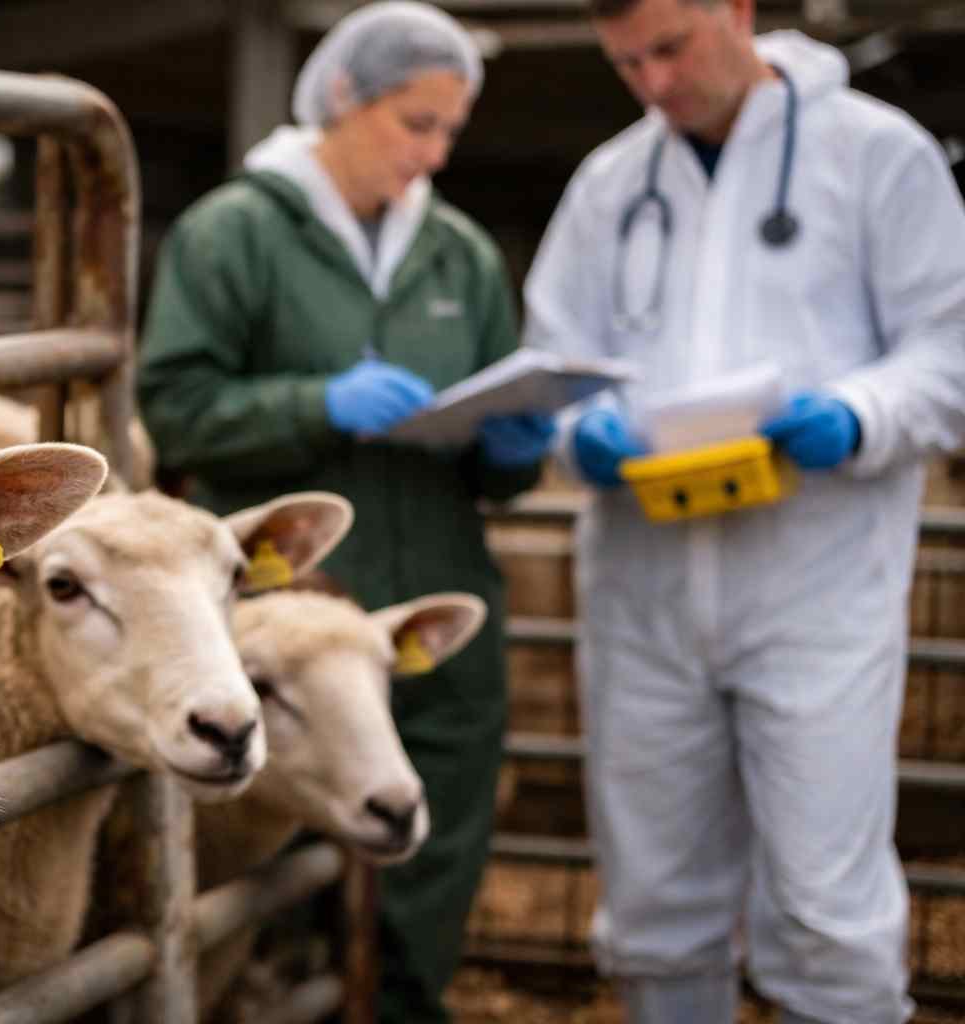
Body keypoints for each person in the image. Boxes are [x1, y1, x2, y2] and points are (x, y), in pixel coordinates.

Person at [522, 1, 965, 1021]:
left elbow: (948, 350)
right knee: (652, 906)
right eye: (627, 63)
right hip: (645, 598)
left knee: (825, 908)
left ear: (736, 11)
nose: (653, 83)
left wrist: (857, 414)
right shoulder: (609, 183)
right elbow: (556, 362)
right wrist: (580, 432)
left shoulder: (875, 155)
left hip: (814, 591)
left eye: (670, 49)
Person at [136, 3, 554, 1020]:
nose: (435, 152)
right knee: (259, 844)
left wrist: (514, 448)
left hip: (431, 592)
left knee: (432, 827)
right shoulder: (235, 232)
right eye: (416, 123)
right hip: (284, 610)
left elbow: (502, 456)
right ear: (341, 98)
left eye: (450, 130)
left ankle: (399, 1006)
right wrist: (314, 404)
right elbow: (176, 407)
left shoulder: (457, 253)